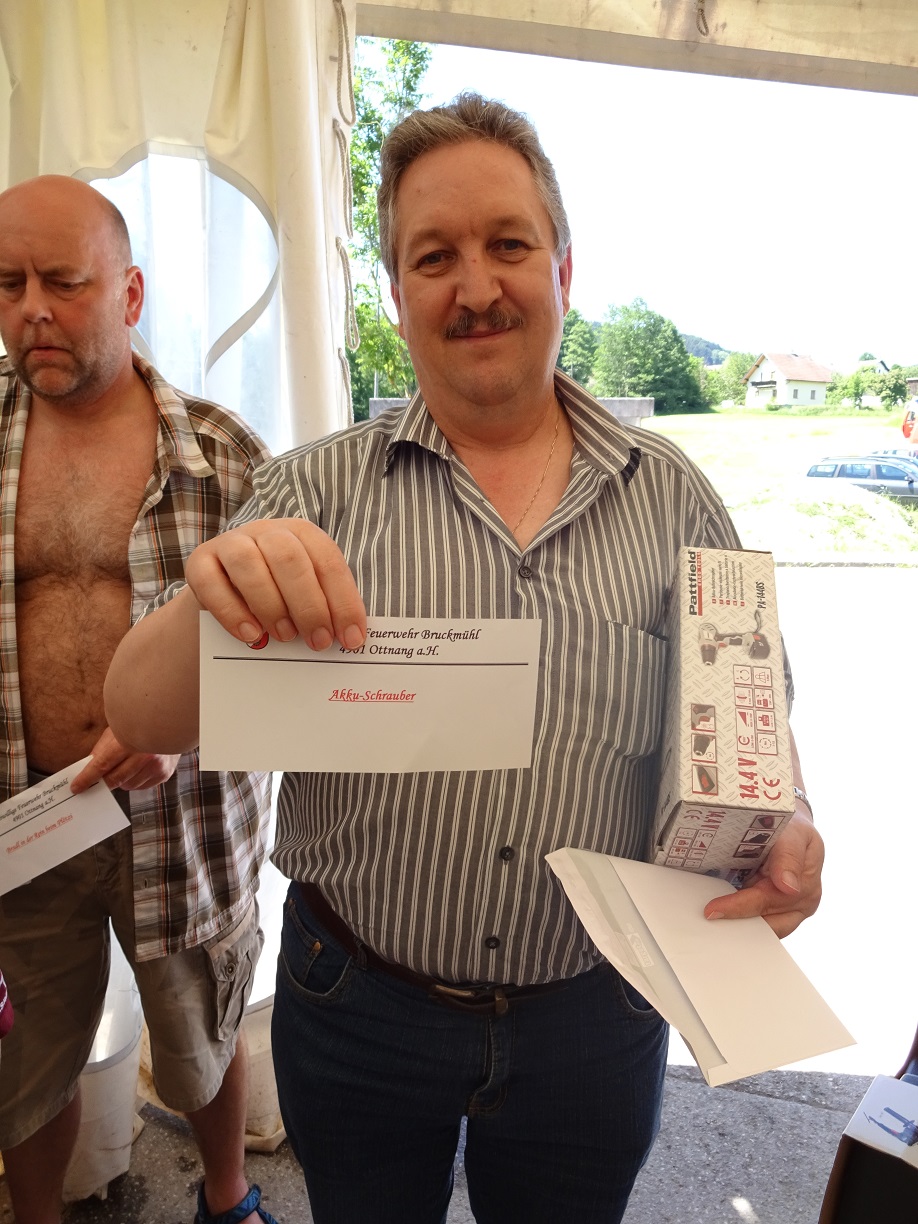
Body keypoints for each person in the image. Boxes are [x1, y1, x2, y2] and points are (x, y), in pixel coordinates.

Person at [105, 94, 824, 1224]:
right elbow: (139, 712)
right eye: (434, 256)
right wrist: (211, 593)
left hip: (598, 1016)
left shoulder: (675, 495)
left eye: (509, 245)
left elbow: (756, 709)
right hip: (359, 1005)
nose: (476, 286)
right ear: (397, 296)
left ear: (564, 270)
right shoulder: (309, 492)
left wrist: (786, 821)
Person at [0, 176, 278, 1224]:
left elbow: (295, 658)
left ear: (129, 293)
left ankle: (227, 1194)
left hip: (185, 815)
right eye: (8, 284)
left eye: (64, 282)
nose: (33, 309)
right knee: (25, 1054)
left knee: (201, 1029)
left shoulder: (225, 457)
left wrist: (184, 728)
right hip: (25, 816)